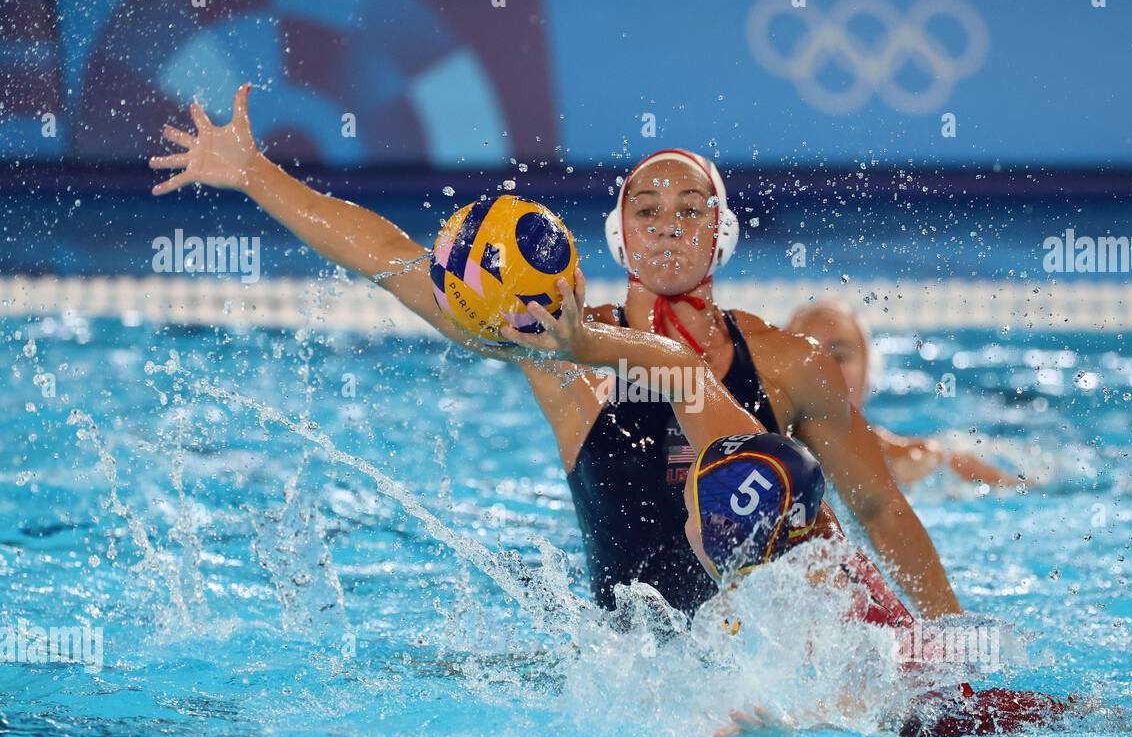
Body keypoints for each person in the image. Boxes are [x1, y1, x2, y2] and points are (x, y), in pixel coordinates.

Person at [149, 85, 959, 620]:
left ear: (723, 232)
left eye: (690, 209)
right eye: (648, 209)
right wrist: (255, 174)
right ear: (618, 232)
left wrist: (954, 643)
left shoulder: (790, 364)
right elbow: (392, 262)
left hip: (783, 661)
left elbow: (881, 511)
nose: (669, 224)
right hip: (641, 677)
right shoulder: (550, 343)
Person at [503, 272, 1071, 737]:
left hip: (936, 708)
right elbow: (682, 375)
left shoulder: (806, 573)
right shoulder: (788, 515)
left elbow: (864, 700)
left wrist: (787, 729)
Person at [787, 300, 1024, 488]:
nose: (824, 368)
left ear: (868, 374)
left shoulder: (908, 460)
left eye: (839, 356)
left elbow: (1019, 491)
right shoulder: (761, 450)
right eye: (808, 354)